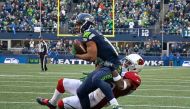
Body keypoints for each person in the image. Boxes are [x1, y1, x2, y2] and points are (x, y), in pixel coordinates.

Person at [36, 54, 144, 109]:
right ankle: (51, 103)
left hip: (97, 99)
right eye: (125, 61)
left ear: (134, 67)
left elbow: (121, 85)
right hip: (93, 87)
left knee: (62, 104)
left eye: (128, 63)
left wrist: (112, 69)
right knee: (62, 82)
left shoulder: (133, 77)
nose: (124, 63)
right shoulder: (121, 71)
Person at [71, 13, 123, 109]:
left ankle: (115, 105)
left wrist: (76, 55)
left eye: (79, 24)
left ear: (85, 23)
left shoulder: (88, 34)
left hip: (113, 67)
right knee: (81, 92)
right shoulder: (92, 33)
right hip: (105, 66)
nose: (77, 27)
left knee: (96, 78)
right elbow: (96, 59)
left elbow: (92, 57)